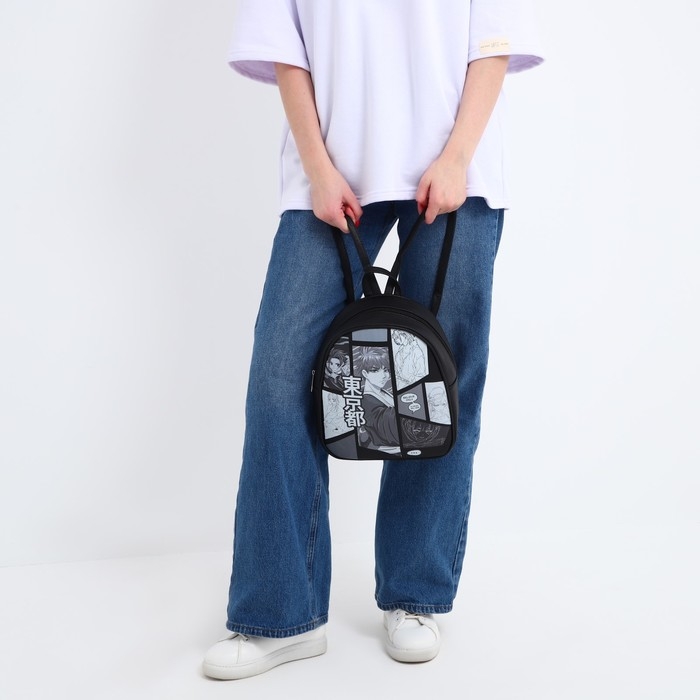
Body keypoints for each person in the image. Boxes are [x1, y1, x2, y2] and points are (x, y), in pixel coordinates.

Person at [203, 0, 544, 680]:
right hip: (329, 177)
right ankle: (279, 614)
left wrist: (457, 158)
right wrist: (318, 169)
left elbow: (494, 40)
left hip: (457, 173)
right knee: (278, 382)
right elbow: (285, 46)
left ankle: (415, 595)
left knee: (437, 387)